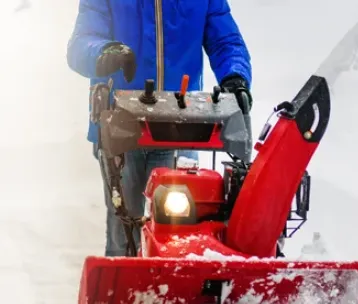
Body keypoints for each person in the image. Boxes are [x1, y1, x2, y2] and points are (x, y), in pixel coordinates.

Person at [67, 0, 252, 257]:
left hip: (182, 128)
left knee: (181, 232)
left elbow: (226, 43)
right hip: (121, 128)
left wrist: (235, 76)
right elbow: (81, 44)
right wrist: (104, 52)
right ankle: (122, 292)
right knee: (125, 232)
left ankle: (174, 292)